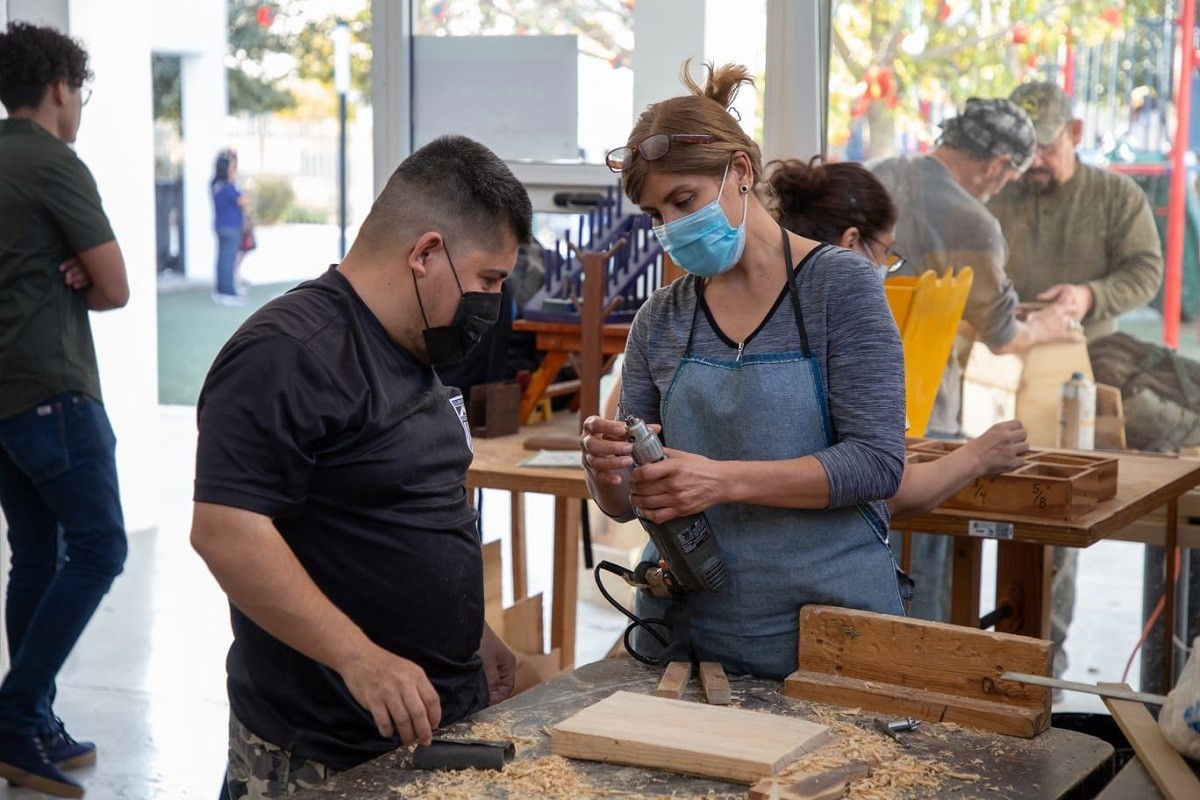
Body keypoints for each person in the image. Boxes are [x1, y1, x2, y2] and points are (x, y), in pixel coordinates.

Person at [190, 134, 531, 799]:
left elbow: (401, 510)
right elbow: (227, 532)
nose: (492, 303)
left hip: (428, 732)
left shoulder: (415, 349)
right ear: (426, 254)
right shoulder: (288, 353)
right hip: (322, 754)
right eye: (489, 280)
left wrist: (474, 635)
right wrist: (359, 659)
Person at [580, 62, 909, 681]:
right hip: (689, 636)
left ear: (739, 173)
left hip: (829, 633)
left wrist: (723, 480)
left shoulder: (840, 288)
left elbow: (877, 462)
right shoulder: (661, 319)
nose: (673, 228)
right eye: (656, 215)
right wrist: (609, 474)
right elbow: (629, 506)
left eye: (684, 201)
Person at [869, 98, 1082, 623]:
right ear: (996, 165)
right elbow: (1004, 335)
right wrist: (1050, 326)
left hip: (848, 409)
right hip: (926, 418)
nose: (1004, 186)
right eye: (1009, 175)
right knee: (920, 585)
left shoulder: (878, 177)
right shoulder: (975, 223)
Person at [989, 81, 1165, 678]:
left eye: (1046, 148)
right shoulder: (996, 190)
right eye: (1023, 151)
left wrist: (1088, 296)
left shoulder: (1116, 197)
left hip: (1081, 374)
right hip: (1000, 361)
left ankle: (1046, 663)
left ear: (1077, 135)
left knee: (1054, 512)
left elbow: (1147, 270)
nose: (1033, 163)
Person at [0, 21, 130, 798]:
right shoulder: (54, 163)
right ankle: (15, 715)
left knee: (37, 554)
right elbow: (114, 286)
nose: (77, 104)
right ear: (58, 88)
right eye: (77, 90)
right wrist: (82, 272)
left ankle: (34, 719)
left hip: (4, 400)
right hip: (54, 388)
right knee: (101, 548)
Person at [768, 157, 1029, 520]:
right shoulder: (853, 326)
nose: (885, 269)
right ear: (852, 242)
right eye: (886, 253)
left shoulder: (762, 306)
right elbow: (889, 488)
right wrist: (981, 454)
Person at [211, 148, 248, 306]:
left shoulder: (214, 184)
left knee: (222, 259)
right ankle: (227, 291)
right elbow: (243, 201)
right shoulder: (228, 186)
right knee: (228, 259)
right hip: (231, 227)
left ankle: (221, 289)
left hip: (221, 226)